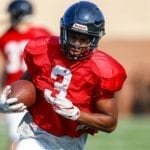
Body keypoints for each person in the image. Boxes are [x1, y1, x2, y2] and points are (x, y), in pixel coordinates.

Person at [0, 1, 126, 150]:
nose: (76, 45)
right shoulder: (42, 49)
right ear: (63, 31)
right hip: (36, 131)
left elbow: (110, 123)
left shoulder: (103, 70)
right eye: (73, 36)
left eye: (84, 39)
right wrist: (8, 102)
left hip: (71, 140)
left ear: (95, 39)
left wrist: (77, 114)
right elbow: (27, 83)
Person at [0, 0, 52, 149]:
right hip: (19, 90)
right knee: (16, 137)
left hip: (31, 90)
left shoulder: (5, 37)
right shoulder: (41, 33)